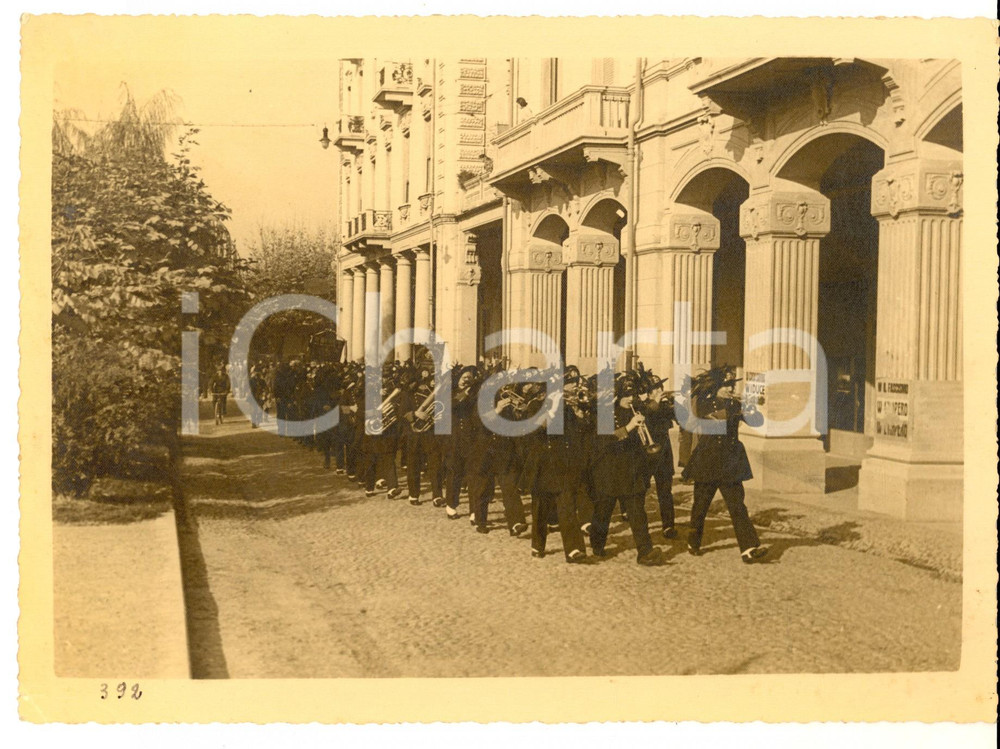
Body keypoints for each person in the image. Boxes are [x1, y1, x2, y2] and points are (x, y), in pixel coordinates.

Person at [681, 366, 768, 564]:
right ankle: (693, 541)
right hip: (708, 461)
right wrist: (738, 405)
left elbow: (756, 421)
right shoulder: (704, 403)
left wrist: (753, 406)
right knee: (700, 506)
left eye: (731, 386)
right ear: (716, 387)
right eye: (726, 386)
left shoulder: (734, 405)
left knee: (737, 506)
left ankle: (749, 548)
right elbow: (716, 420)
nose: (730, 389)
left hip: (730, 462)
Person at [588, 376, 661, 566]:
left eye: (632, 395)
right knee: (603, 512)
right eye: (627, 395)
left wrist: (644, 432)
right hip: (610, 470)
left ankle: (645, 552)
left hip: (631, 469)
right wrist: (629, 427)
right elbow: (605, 440)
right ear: (618, 394)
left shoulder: (636, 411)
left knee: (638, 513)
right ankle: (597, 544)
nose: (631, 399)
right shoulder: (605, 412)